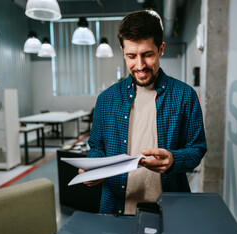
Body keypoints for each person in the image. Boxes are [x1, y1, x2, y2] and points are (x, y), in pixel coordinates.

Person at [79, 10, 207, 215]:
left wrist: (174, 159)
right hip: (115, 208)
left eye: (147, 54)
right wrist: (93, 167)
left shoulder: (185, 95)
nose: (140, 65)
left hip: (169, 210)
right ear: (122, 51)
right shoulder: (106, 99)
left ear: (161, 49)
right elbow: (97, 147)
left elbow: (197, 148)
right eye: (131, 56)